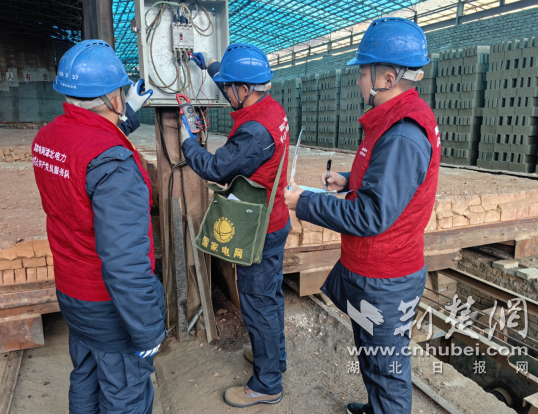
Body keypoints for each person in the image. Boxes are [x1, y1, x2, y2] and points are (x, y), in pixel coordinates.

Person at [284, 18, 441, 414]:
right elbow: (388, 181)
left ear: (387, 78)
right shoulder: (393, 122)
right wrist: (348, 179)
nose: (358, 80)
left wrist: (303, 202)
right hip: (373, 269)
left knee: (387, 367)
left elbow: (371, 214)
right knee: (371, 352)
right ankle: (376, 407)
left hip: (385, 278)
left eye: (363, 72)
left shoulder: (403, 134)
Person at [32, 39, 165, 414]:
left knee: (86, 377)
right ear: (113, 97)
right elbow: (125, 263)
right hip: (109, 306)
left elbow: (87, 142)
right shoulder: (115, 167)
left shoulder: (46, 139)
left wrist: (128, 114)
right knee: (124, 394)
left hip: (72, 293)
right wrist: (148, 329)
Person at [186, 43, 290, 408]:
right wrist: (211, 66)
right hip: (275, 220)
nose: (226, 93)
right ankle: (273, 358)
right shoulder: (270, 107)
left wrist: (187, 142)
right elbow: (232, 83)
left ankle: (267, 384)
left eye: (229, 87)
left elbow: (217, 168)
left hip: (259, 229)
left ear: (244, 89)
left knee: (258, 305)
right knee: (270, 298)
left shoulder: (255, 132)